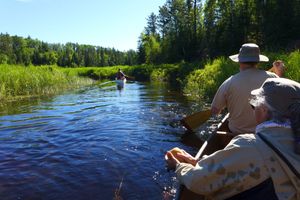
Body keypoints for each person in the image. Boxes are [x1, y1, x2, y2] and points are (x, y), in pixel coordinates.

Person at [166, 78, 300, 199]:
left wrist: (178, 166)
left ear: (264, 109)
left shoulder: (249, 145)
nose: (253, 109)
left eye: (254, 105)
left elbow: (198, 181)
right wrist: (198, 162)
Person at [211, 43, 278, 135]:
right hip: (266, 134)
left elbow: (215, 111)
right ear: (258, 61)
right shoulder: (273, 77)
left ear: (239, 61)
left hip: (236, 133)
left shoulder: (229, 82)